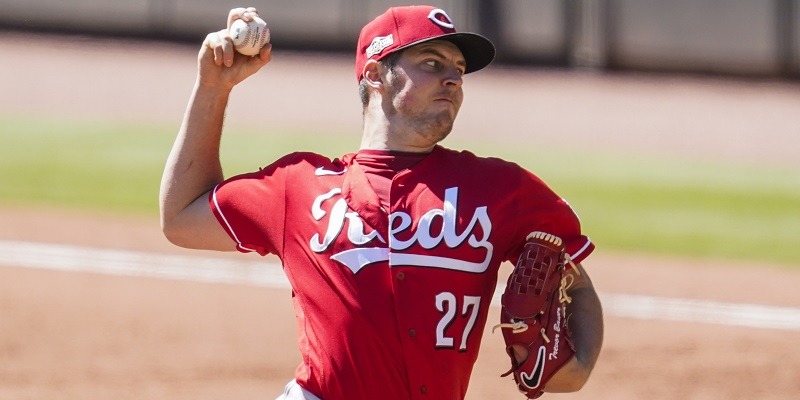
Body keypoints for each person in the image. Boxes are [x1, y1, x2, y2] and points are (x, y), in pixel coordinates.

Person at [160, 5, 603, 400]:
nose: (452, 77)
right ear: (374, 74)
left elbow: (573, 280)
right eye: (432, 62)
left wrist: (575, 366)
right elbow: (182, 216)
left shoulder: (502, 189)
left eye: (459, 68)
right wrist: (213, 87)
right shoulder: (299, 186)